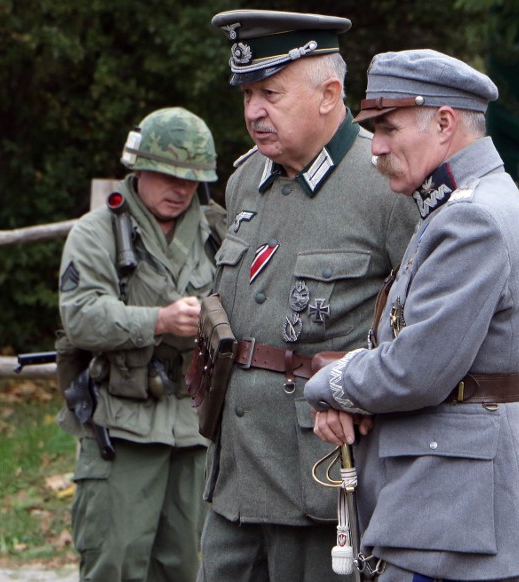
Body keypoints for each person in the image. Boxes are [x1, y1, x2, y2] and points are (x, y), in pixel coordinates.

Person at [304, 49, 519, 581]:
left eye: (388, 128)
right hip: (452, 500)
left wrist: (328, 382)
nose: (375, 148)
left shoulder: (469, 218)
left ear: (445, 123)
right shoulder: (469, 203)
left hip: (446, 508)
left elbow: (414, 369)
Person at [198, 10, 418, 582]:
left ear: (329, 94)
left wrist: (361, 388)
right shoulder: (247, 179)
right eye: (247, 94)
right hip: (234, 476)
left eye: (270, 92)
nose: (253, 112)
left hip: (321, 480)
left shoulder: (385, 185)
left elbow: (424, 327)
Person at [57, 106, 226, 582]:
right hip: (122, 424)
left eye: (192, 179)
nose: (180, 189)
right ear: (139, 169)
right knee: (115, 562)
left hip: (195, 426)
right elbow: (81, 316)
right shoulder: (98, 233)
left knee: (189, 567)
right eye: (168, 175)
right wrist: (159, 320)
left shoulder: (219, 231)